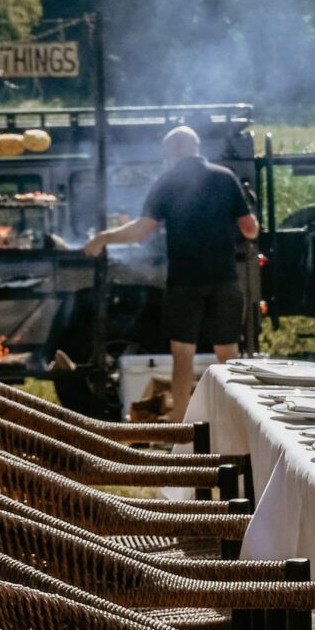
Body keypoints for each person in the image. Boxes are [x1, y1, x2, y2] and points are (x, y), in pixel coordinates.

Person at [84, 126, 259, 421]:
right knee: (228, 354)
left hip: (184, 281)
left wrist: (104, 238)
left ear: (172, 152)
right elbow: (249, 229)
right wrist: (250, 224)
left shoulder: (167, 181)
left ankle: (179, 423)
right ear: (196, 147)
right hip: (224, 279)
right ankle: (235, 421)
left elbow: (142, 230)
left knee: (183, 355)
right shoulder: (225, 177)